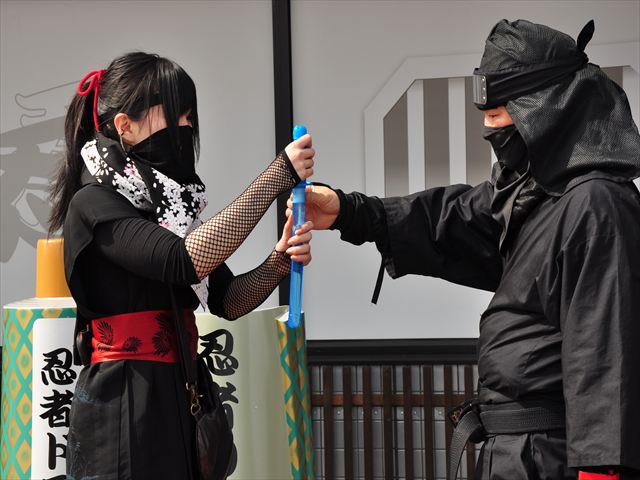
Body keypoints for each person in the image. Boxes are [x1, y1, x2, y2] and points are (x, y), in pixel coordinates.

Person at [295, 20, 640, 479]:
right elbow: (451, 217)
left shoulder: (598, 205)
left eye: (496, 116)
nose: (487, 128)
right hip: (515, 452)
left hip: (555, 457)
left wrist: (602, 473)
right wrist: (348, 211)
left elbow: (606, 358)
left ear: (542, 112)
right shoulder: (533, 196)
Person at [48, 51, 315, 479]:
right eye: (176, 115)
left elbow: (228, 300)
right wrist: (278, 175)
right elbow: (183, 260)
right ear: (125, 125)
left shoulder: (170, 212)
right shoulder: (93, 203)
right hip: (123, 401)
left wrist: (279, 259)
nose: (186, 127)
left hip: (181, 393)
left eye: (190, 116)